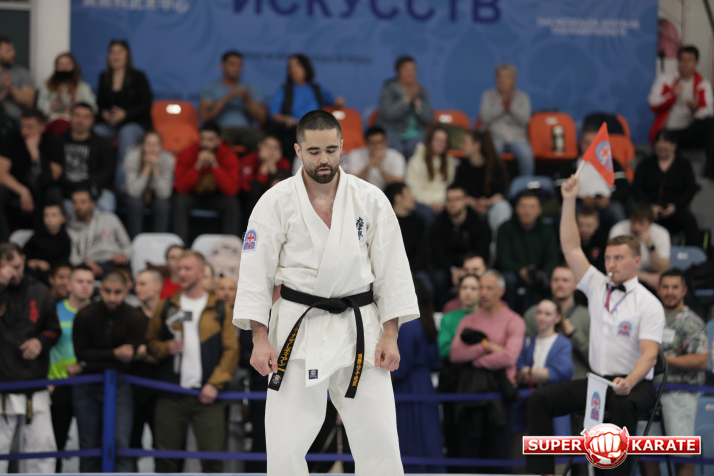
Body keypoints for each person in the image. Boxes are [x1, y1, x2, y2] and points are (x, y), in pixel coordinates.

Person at [234, 110, 419, 476]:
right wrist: (259, 339)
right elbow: (255, 276)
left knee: (380, 438)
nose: (324, 159)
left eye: (331, 150)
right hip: (297, 327)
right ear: (298, 150)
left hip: (360, 328)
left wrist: (391, 334)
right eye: (314, 151)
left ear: (343, 147)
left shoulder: (370, 199)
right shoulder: (275, 202)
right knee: (285, 441)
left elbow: (392, 271)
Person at [527, 174, 665, 476]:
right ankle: (544, 473)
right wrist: (568, 200)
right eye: (608, 257)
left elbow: (650, 355)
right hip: (599, 382)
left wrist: (629, 380)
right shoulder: (597, 285)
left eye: (619, 258)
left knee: (623, 405)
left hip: (636, 384)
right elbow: (570, 247)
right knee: (540, 400)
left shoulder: (648, 302)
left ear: (636, 261)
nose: (611, 263)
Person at [146, 250, 238, 473]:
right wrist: (165, 348)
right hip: (170, 394)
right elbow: (151, 342)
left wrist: (214, 384)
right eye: (179, 269)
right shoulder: (167, 305)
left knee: (213, 462)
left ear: (201, 271)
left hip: (208, 395)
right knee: (165, 462)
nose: (182, 273)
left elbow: (231, 350)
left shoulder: (220, 307)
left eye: (187, 268)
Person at [449, 270, 525, 472]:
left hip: (499, 397)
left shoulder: (514, 320)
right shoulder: (469, 320)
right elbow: (455, 354)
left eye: (489, 288)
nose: (483, 293)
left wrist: (475, 360)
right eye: (481, 287)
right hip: (471, 396)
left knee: (499, 458)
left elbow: (509, 357)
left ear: (501, 291)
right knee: (470, 459)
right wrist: (486, 346)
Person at [72, 270, 146, 473]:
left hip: (119, 385)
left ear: (126, 291)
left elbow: (126, 360)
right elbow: (81, 354)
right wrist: (114, 354)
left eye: (117, 292)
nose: (112, 297)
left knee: (120, 443)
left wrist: (92, 360)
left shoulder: (135, 317)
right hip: (86, 386)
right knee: (89, 446)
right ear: (100, 290)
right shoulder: (85, 315)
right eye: (107, 291)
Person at [639, 270, 708, 476]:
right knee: (646, 453)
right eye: (665, 287)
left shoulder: (690, 320)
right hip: (649, 394)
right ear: (658, 290)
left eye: (675, 287)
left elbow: (701, 360)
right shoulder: (652, 317)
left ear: (684, 291)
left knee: (681, 454)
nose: (670, 292)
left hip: (680, 394)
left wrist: (661, 360)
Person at [0, 242, 61, 474]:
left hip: (34, 382)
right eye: (6, 269)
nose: (13, 273)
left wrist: (41, 341)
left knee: (42, 450)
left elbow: (54, 330)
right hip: (2, 383)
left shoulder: (40, 291)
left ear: (24, 260)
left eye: (16, 266)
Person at [392, 278, 444, 474]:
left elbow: (401, 367)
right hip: (425, 385)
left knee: (411, 437)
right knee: (428, 436)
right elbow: (435, 362)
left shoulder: (409, 325)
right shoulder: (427, 321)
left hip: (408, 387)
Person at [49, 264, 94, 472]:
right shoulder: (54, 311)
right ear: (69, 284)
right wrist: (47, 382)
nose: (85, 286)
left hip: (90, 386)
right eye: (80, 281)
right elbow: (45, 347)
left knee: (91, 445)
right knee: (54, 445)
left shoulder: (99, 312)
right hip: (58, 385)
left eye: (89, 282)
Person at [648, 45, 714, 179]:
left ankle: (711, 168)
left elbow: (709, 112)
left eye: (689, 60)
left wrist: (695, 108)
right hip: (670, 131)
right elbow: (653, 104)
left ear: (696, 63)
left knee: (710, 123)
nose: (685, 63)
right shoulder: (665, 79)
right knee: (673, 153)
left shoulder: (703, 83)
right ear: (678, 61)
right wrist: (672, 96)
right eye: (682, 59)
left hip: (689, 131)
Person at [94, 40, 153, 189]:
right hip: (111, 125)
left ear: (127, 56)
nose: (115, 56)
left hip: (135, 123)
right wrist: (104, 113)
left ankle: (123, 182)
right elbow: (99, 103)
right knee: (97, 131)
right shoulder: (104, 77)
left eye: (119, 52)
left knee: (126, 133)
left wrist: (125, 114)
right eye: (112, 52)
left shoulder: (138, 76)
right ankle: (98, 176)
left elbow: (146, 105)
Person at [0, 109, 63, 241]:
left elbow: (51, 178)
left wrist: (34, 152)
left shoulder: (53, 143)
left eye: (30, 127)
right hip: (16, 191)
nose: (25, 131)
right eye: (23, 126)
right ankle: (3, 243)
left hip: (41, 192)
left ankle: (51, 242)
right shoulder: (11, 139)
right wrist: (23, 191)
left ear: (42, 127)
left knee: (53, 193)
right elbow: (1, 173)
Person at [172, 121, 240, 243]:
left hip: (217, 197)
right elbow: (179, 188)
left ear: (219, 141)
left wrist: (215, 166)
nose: (205, 144)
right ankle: (179, 246)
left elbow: (232, 190)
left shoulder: (228, 155)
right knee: (179, 201)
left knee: (232, 204)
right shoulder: (188, 152)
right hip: (193, 196)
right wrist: (197, 167)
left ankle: (229, 246)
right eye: (203, 139)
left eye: (210, 140)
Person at [554, 123, 630, 230]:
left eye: (594, 143)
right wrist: (581, 200)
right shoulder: (568, 165)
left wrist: (610, 199)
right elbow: (560, 189)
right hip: (579, 204)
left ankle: (623, 240)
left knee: (616, 209)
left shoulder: (612, 163)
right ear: (580, 143)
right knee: (563, 210)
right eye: (587, 142)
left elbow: (624, 187)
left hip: (608, 204)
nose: (590, 146)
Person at [268, 54, 344, 160]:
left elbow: (334, 102)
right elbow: (274, 114)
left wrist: (339, 101)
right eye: (290, 67)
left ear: (305, 67)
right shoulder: (285, 89)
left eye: (297, 65)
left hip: (316, 128)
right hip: (294, 128)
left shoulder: (316, 88)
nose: (293, 69)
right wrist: (287, 119)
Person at [632, 129, 700, 247]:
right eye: (659, 150)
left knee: (689, 220)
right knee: (637, 219)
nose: (662, 153)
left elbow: (690, 189)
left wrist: (675, 206)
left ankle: (695, 254)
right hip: (649, 209)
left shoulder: (683, 164)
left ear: (674, 146)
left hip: (674, 209)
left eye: (666, 150)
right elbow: (636, 187)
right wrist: (649, 206)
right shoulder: (646, 163)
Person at [524, 264, 591, 379]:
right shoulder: (533, 313)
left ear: (575, 284)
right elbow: (522, 351)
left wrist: (574, 334)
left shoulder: (587, 316)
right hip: (539, 382)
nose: (560, 284)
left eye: (565, 280)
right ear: (550, 283)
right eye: (556, 280)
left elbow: (596, 359)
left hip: (575, 382)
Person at [496, 191, 559, 313]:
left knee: (548, 277)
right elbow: (502, 259)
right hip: (514, 272)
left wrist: (538, 270)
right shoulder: (505, 228)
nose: (527, 211)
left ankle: (548, 313)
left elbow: (553, 259)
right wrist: (521, 271)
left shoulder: (547, 230)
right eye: (523, 206)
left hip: (539, 272)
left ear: (539, 210)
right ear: (516, 208)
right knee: (508, 279)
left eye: (532, 207)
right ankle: (508, 314)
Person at [430, 184, 491, 309]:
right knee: (438, 277)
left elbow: (483, 252)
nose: (452, 204)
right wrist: (453, 269)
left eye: (457, 199)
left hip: (474, 267)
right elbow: (437, 254)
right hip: (448, 269)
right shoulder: (438, 225)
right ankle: (442, 313)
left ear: (466, 201)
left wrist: (468, 269)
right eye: (449, 200)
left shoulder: (479, 223)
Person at [129, 269, 163, 466]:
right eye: (137, 283)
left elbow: (176, 349)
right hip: (134, 390)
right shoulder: (131, 315)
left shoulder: (170, 314)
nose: (137, 288)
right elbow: (127, 351)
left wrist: (145, 351)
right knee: (130, 445)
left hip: (163, 390)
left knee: (164, 446)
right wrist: (158, 351)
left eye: (142, 284)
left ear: (157, 286)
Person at [57, 102, 117, 212]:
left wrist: (86, 189)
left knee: (106, 205)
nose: (81, 120)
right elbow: (55, 172)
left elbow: (107, 173)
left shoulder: (103, 144)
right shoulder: (58, 142)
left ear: (92, 120)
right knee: (63, 209)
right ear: (70, 116)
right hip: (67, 191)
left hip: (95, 189)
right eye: (77, 115)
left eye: (86, 117)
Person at [200, 50, 265, 149]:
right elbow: (205, 117)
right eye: (232, 64)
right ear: (222, 65)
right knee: (215, 143)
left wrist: (247, 100)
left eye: (239, 65)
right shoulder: (210, 88)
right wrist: (228, 97)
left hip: (246, 131)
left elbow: (262, 119)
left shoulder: (251, 88)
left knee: (266, 143)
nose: (236, 68)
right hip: (222, 130)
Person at [479, 63, 534, 175]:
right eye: (500, 77)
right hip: (496, 136)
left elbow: (525, 120)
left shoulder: (523, 97)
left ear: (514, 80)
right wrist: (502, 106)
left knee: (526, 155)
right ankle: (493, 183)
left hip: (518, 138)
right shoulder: (488, 96)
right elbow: (485, 118)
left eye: (506, 77)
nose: (502, 81)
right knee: (493, 154)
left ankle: (527, 183)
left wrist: (511, 106)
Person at [455, 130, 512, 235]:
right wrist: (474, 202)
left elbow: (501, 194)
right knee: (459, 205)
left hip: (491, 206)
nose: (461, 146)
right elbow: (459, 192)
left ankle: (500, 242)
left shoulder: (495, 166)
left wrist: (486, 203)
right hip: (471, 207)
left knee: (502, 207)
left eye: (464, 143)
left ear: (476, 146)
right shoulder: (461, 168)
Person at [376, 55, 434, 158]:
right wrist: (406, 100)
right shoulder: (389, 89)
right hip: (392, 133)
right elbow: (388, 114)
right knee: (396, 150)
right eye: (406, 70)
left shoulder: (422, 91)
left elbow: (429, 118)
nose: (410, 73)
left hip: (417, 133)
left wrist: (418, 105)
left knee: (417, 147)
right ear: (398, 72)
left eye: (413, 70)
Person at [66, 187, 132, 276]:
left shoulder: (110, 218)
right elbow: (73, 257)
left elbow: (128, 246)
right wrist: (85, 263)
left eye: (83, 202)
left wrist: (123, 255)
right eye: (75, 202)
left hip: (114, 261)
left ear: (92, 204)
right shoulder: (69, 228)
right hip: (90, 265)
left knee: (122, 274)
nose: (78, 206)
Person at [122, 131, 175, 238]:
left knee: (163, 205)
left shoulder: (167, 159)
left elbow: (164, 194)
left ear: (161, 147)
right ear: (142, 145)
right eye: (149, 144)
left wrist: (155, 168)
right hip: (133, 193)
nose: (152, 148)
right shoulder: (132, 157)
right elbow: (134, 192)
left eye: (156, 144)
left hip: (155, 193)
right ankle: (135, 241)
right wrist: (147, 168)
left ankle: (159, 241)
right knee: (135, 204)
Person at [404, 125, 458, 229]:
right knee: (427, 214)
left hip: (443, 202)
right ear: (429, 141)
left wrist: (443, 203)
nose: (441, 143)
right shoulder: (416, 161)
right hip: (422, 202)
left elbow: (449, 187)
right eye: (437, 139)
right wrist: (432, 203)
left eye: (444, 140)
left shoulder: (450, 162)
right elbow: (413, 190)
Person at [609, 202, 671, 289]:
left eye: (641, 222)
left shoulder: (661, 233)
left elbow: (662, 269)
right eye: (633, 221)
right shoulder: (618, 230)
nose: (636, 227)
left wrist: (650, 245)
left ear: (650, 223)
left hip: (652, 278)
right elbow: (614, 266)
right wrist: (646, 278)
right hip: (624, 278)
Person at [37, 52, 97, 136]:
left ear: (73, 67)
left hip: (75, 121)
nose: (64, 68)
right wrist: (57, 99)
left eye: (67, 64)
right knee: (60, 124)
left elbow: (93, 108)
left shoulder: (83, 87)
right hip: (53, 121)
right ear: (56, 67)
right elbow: (40, 109)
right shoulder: (47, 86)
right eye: (61, 65)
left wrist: (75, 97)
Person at [517, 300, 574, 386]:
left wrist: (528, 371)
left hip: (552, 392)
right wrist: (544, 375)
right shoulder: (526, 341)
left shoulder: (564, 344)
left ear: (558, 318)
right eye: (539, 312)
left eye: (548, 314)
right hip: (526, 392)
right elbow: (518, 373)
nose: (541, 317)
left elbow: (559, 374)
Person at [239, 134, 290, 228]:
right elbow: (249, 192)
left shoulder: (284, 163)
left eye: (274, 148)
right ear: (260, 146)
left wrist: (273, 170)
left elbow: (283, 192)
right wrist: (263, 171)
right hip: (252, 201)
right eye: (267, 146)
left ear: (280, 151)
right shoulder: (248, 159)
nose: (270, 150)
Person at [384, 183, 429, 284]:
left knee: (424, 284)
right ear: (398, 198)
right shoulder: (384, 223)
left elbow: (420, 252)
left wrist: (410, 271)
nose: (413, 197)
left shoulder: (417, 222)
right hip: (389, 271)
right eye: (409, 193)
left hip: (414, 271)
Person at [343, 125, 406, 191]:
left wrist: (380, 168)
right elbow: (352, 183)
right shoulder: (355, 154)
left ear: (386, 142)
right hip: (362, 192)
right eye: (372, 143)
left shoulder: (396, 156)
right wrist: (368, 165)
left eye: (379, 142)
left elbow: (398, 185)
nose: (376, 146)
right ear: (366, 143)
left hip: (388, 194)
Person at [23, 203, 71, 284]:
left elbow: (63, 261)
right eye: (46, 215)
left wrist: (49, 266)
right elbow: (25, 253)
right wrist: (29, 262)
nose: (49, 219)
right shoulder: (37, 236)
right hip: (33, 272)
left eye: (53, 215)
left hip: (52, 274)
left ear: (62, 218)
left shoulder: (65, 239)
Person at [438, 274, 480, 360]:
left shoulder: (488, 316)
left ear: (481, 291)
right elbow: (443, 350)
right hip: (455, 365)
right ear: (459, 290)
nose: (468, 292)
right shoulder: (448, 318)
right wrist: (479, 348)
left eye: (473, 288)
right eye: (464, 287)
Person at [0, 36, 35, 122]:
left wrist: (11, 87)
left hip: (16, 122)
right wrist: (3, 94)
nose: (13, 53)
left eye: (13, 50)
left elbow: (28, 103)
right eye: (8, 51)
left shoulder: (22, 73)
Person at [575, 206, 608, 273]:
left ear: (597, 224)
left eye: (589, 225)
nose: (584, 230)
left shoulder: (603, 240)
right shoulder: (571, 239)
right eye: (581, 225)